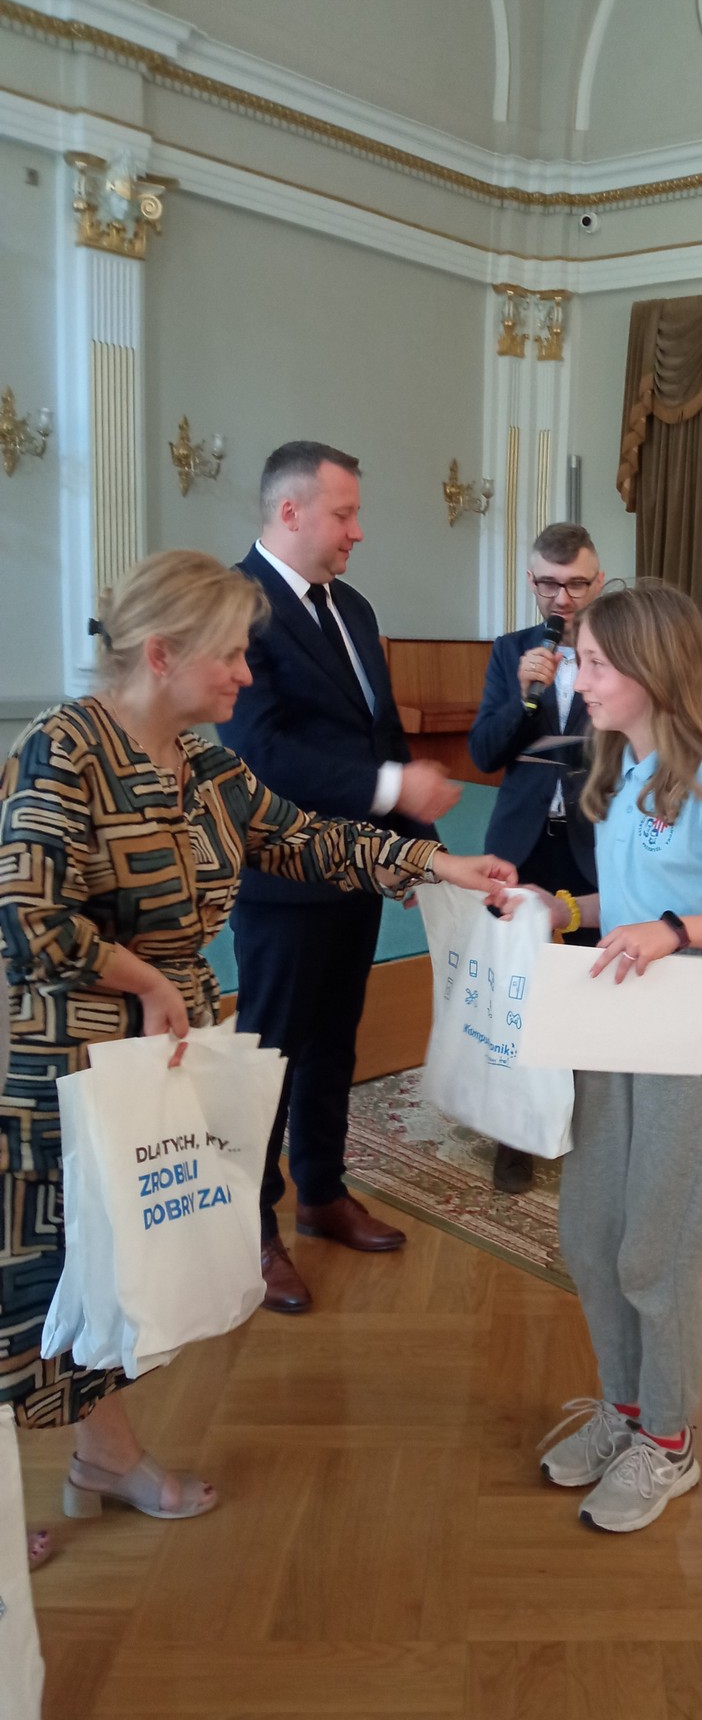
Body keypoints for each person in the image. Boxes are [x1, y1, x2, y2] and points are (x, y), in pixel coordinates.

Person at [0, 550, 514, 1541]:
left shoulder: (202, 764)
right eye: (230, 654)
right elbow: (28, 918)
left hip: (154, 1064)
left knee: (109, 1274)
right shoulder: (63, 747)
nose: (245, 672)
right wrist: (148, 979)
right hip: (64, 1070)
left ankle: (104, 1455)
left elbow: (303, 836)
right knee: (33, 1279)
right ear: (162, 654)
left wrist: (432, 864)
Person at [529, 583, 702, 1533]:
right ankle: (626, 1407)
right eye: (580, 661)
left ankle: (669, 1440)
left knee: (657, 1238)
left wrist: (678, 931)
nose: (580, 679)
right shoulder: (621, 771)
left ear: (651, 670)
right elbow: (636, 903)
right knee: (591, 1228)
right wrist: (566, 909)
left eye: (596, 664)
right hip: (620, 1010)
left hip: (700, 1021)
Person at [220, 442, 460, 1313]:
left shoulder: (351, 606)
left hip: (360, 870)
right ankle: (250, 1229)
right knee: (268, 1058)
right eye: (344, 514)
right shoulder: (235, 605)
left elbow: (380, 735)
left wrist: (426, 851)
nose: (358, 531)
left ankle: (321, 1191)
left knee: (333, 1042)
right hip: (282, 878)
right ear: (290, 512)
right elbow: (262, 752)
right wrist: (391, 790)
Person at [468, 522, 606, 1192]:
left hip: (593, 845)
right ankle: (513, 1134)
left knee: (588, 988)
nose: (563, 598)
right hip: (521, 845)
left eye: (576, 583)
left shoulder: (620, 651)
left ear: (597, 582)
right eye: (549, 584)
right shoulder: (508, 652)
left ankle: (585, 1122)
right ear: (531, 582)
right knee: (514, 993)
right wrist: (525, 696)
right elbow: (483, 753)